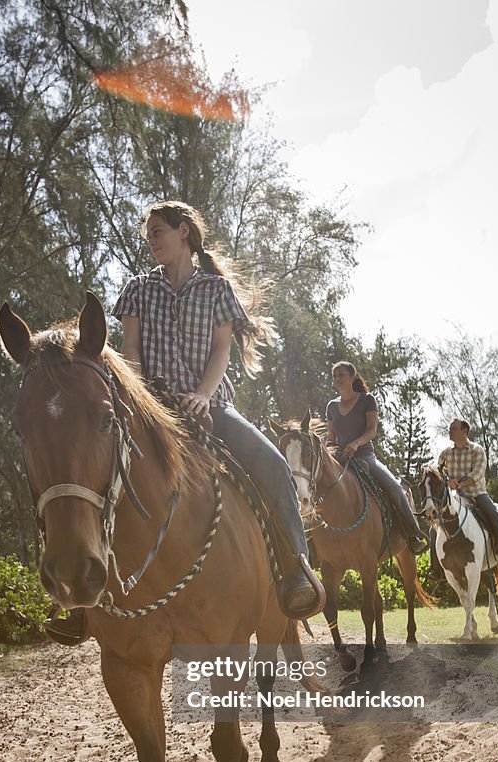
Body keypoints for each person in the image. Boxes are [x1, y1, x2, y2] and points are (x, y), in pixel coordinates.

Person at [45, 201, 325, 644]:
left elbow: (221, 351)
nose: (151, 240)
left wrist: (203, 395)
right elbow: (130, 350)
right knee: (90, 471)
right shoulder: (137, 289)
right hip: (149, 409)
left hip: (209, 408)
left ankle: (296, 571)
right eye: (148, 234)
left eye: (158, 231)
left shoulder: (216, 290)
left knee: (271, 463)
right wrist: (142, 400)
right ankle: (80, 601)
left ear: (184, 234)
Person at [326, 361, 428, 555]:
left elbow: (372, 431)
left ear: (353, 377)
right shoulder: (331, 406)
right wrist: (330, 450)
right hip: (340, 459)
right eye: (335, 376)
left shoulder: (367, 400)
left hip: (365, 456)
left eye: (341, 375)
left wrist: (355, 443)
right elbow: (331, 438)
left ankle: (414, 535)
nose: (337, 379)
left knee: (396, 489)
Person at [429, 418, 498, 579]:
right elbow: (438, 472)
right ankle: (436, 568)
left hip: (477, 495)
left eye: (453, 429)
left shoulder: (477, 450)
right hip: (455, 499)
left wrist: (459, 483)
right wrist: (448, 480)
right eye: (450, 429)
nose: (450, 431)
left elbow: (476, 475)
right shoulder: (445, 453)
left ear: (464, 431)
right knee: (434, 527)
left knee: (495, 515)